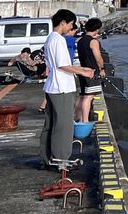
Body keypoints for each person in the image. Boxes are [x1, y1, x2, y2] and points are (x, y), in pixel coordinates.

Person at [39, 9, 95, 170]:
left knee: (50, 124)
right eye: (70, 24)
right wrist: (84, 71)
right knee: (63, 126)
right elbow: (63, 65)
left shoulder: (50, 38)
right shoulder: (59, 40)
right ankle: (61, 161)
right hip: (62, 88)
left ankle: (47, 158)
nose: (71, 27)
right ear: (63, 22)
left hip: (52, 87)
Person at [74, 18, 106, 123]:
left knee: (82, 95)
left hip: (82, 70)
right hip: (92, 72)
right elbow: (98, 57)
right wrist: (102, 68)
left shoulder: (80, 41)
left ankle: (78, 118)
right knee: (89, 97)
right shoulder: (93, 42)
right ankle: (85, 121)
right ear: (96, 29)